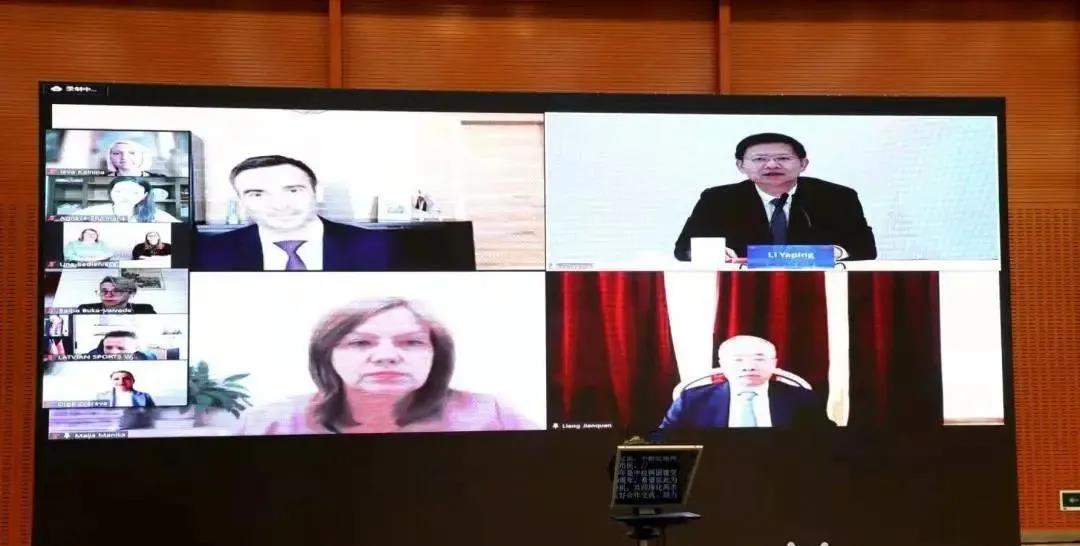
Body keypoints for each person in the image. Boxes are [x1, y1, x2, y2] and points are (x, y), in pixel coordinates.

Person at [238, 298, 534, 435]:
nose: (386, 356)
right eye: (360, 343)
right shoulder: (269, 423)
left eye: (411, 342)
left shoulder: (491, 414)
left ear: (437, 355)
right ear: (327, 355)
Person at [674, 133, 876, 262]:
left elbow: (865, 249)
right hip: (741, 288)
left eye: (783, 158)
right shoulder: (717, 200)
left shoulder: (838, 197)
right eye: (759, 159)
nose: (771, 165)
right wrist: (709, 253)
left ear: (803, 164)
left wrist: (836, 253)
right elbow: (684, 249)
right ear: (740, 165)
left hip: (818, 285)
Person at [194, 155, 397, 271]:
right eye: (257, 194)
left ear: (316, 193)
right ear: (241, 202)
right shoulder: (210, 252)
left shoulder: (374, 245)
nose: (280, 205)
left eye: (293, 190)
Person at [658, 335, 833, 429]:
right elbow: (664, 440)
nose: (748, 367)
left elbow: (826, 440)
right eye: (738, 360)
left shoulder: (802, 399)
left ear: (774, 363)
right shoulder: (692, 400)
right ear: (722, 364)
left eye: (759, 359)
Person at [75, 177, 179, 222]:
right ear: (110, 192)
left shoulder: (157, 215)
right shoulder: (93, 212)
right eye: (119, 191)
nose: (125, 197)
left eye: (134, 192)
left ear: (144, 195)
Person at [77, 276, 156, 313]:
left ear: (131, 293)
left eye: (116, 291)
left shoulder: (145, 310)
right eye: (104, 291)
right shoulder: (83, 309)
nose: (108, 295)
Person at [85, 330, 156, 360]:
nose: (113, 353)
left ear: (136, 348)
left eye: (121, 348)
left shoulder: (147, 357)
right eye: (108, 347)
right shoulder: (91, 357)